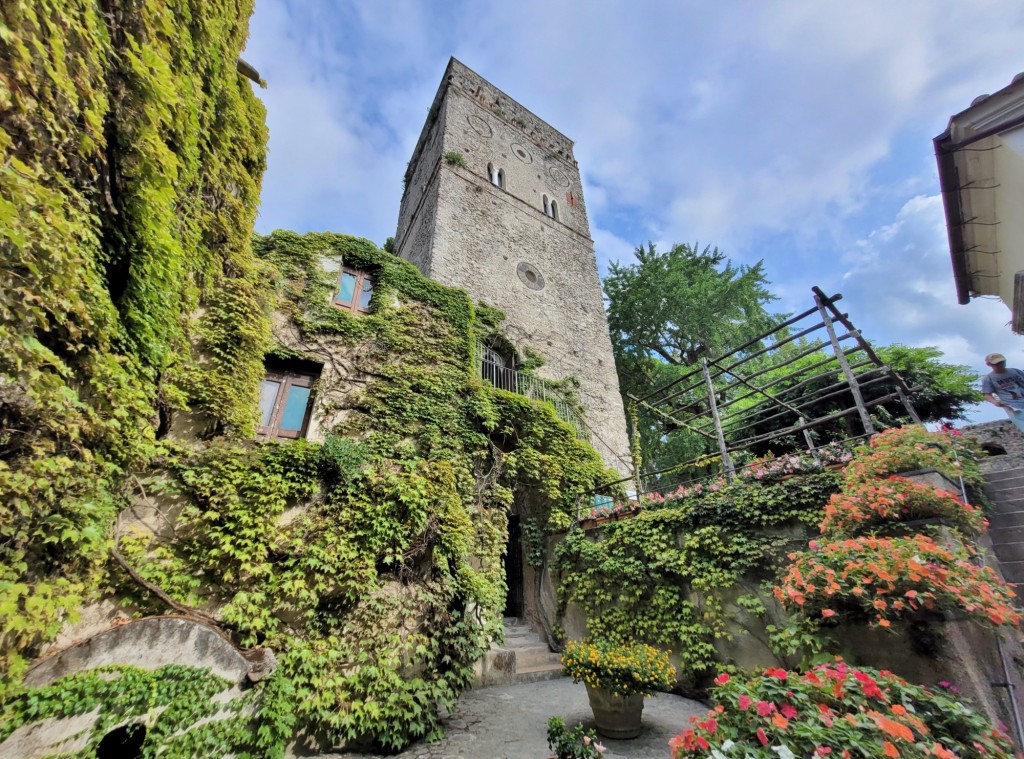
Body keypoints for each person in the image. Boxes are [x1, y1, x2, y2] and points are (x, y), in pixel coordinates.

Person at [981, 352, 1024, 431]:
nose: (1000, 365)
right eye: (996, 364)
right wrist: (996, 402)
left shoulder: (1015, 371)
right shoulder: (988, 378)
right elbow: (987, 395)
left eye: (1002, 362)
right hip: (1014, 408)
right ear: (990, 365)